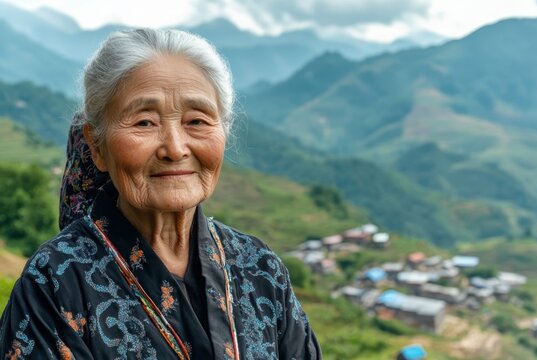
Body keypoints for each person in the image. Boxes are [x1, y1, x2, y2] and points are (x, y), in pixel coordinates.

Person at [0, 28, 321, 359]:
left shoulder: (261, 268)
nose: (175, 148)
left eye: (196, 121)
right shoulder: (55, 283)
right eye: (144, 123)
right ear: (96, 145)